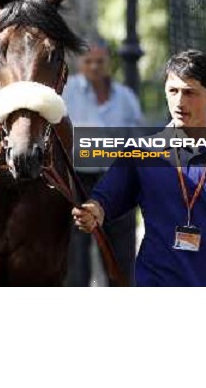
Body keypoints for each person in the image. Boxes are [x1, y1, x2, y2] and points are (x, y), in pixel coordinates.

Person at [72, 50, 206, 287]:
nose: (180, 102)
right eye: (173, 91)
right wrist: (93, 212)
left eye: (190, 92)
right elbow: (103, 201)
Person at [62, 35, 143, 286]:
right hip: (78, 182)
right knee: (76, 259)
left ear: (108, 62)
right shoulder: (65, 94)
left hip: (116, 183)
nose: (95, 66)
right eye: (89, 61)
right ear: (80, 63)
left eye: (100, 61)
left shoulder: (125, 98)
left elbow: (137, 141)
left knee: (120, 259)